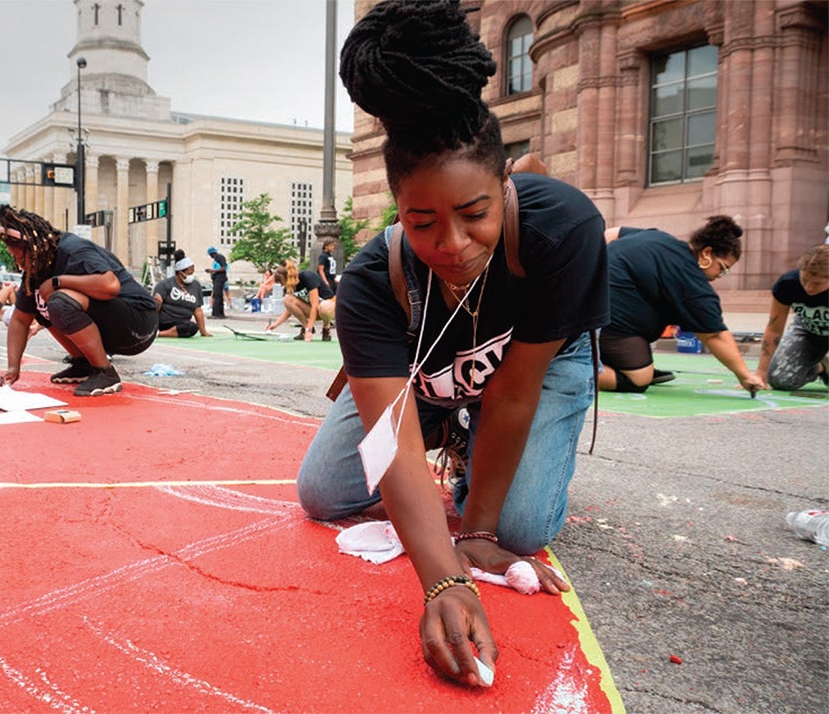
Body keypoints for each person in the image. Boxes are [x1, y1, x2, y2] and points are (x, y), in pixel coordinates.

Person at [296, 0, 609, 688]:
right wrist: (442, 584)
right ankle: (454, 435)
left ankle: (475, 464)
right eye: (422, 222)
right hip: (428, 378)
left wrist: (475, 534)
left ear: (506, 184)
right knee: (321, 492)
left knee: (517, 530)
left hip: (526, 376)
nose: (453, 245)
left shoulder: (563, 231)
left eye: (475, 214)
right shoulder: (373, 281)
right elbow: (390, 437)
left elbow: (515, 390)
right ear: (396, 211)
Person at [0, 206, 158, 397]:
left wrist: (58, 281)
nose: (19, 263)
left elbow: (110, 285)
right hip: (114, 327)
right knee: (42, 302)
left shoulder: (73, 249)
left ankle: (104, 371)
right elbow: (20, 320)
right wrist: (13, 367)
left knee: (59, 301)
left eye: (21, 257)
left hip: (139, 323)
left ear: (36, 247)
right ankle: (84, 363)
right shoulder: (36, 270)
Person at [599, 217, 766, 394]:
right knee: (638, 380)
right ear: (706, 253)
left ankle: (601, 361)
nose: (721, 275)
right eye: (722, 268)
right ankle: (571, 372)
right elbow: (715, 336)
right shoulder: (693, 283)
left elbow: (611, 234)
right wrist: (745, 376)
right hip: (607, 314)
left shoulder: (660, 237)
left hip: (583, 298)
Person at [754, 244, 829, 390]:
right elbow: (774, 329)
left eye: (817, 283)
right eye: (805, 280)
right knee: (779, 379)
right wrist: (761, 373)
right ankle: (820, 366)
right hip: (807, 331)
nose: (808, 288)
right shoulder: (788, 284)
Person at [265, 264, 335, 342]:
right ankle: (306, 328)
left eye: (282, 282)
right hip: (313, 310)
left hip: (328, 308)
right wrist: (274, 325)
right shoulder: (289, 287)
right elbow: (289, 309)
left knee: (324, 306)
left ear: (287, 278)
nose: (282, 285)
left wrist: (309, 328)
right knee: (287, 299)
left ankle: (326, 327)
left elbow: (314, 305)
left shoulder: (307, 277)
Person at [154, 251, 212, 338]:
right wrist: (157, 304)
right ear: (180, 273)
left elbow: (198, 310)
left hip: (182, 324)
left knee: (192, 327)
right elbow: (154, 309)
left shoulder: (196, 285)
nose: (191, 276)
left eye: (193, 273)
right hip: (164, 322)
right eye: (189, 273)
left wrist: (203, 331)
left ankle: (160, 334)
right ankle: (158, 332)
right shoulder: (165, 285)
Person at [205, 246, 229, 318]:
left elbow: (224, 268)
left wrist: (213, 271)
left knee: (217, 296)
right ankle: (221, 314)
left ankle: (216, 314)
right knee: (219, 296)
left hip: (220, 279)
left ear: (211, 254)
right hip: (217, 279)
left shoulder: (219, 257)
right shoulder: (217, 258)